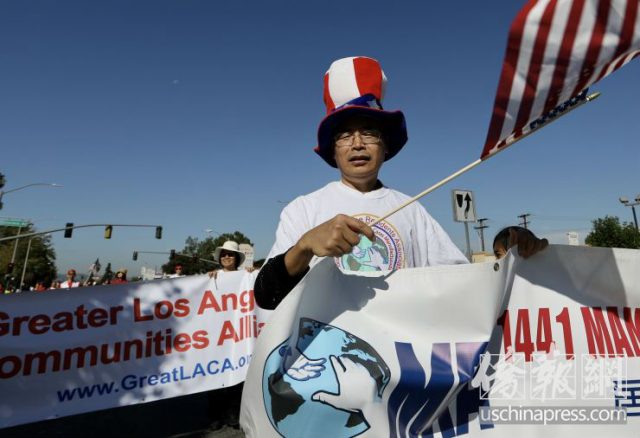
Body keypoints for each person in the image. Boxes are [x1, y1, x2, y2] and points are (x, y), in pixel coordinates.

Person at [255, 56, 547, 310]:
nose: (357, 144)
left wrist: (511, 249)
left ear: (385, 145)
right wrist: (305, 246)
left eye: (369, 132)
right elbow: (267, 296)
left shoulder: (412, 210)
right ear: (333, 149)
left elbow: (461, 286)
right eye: (344, 135)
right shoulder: (303, 210)